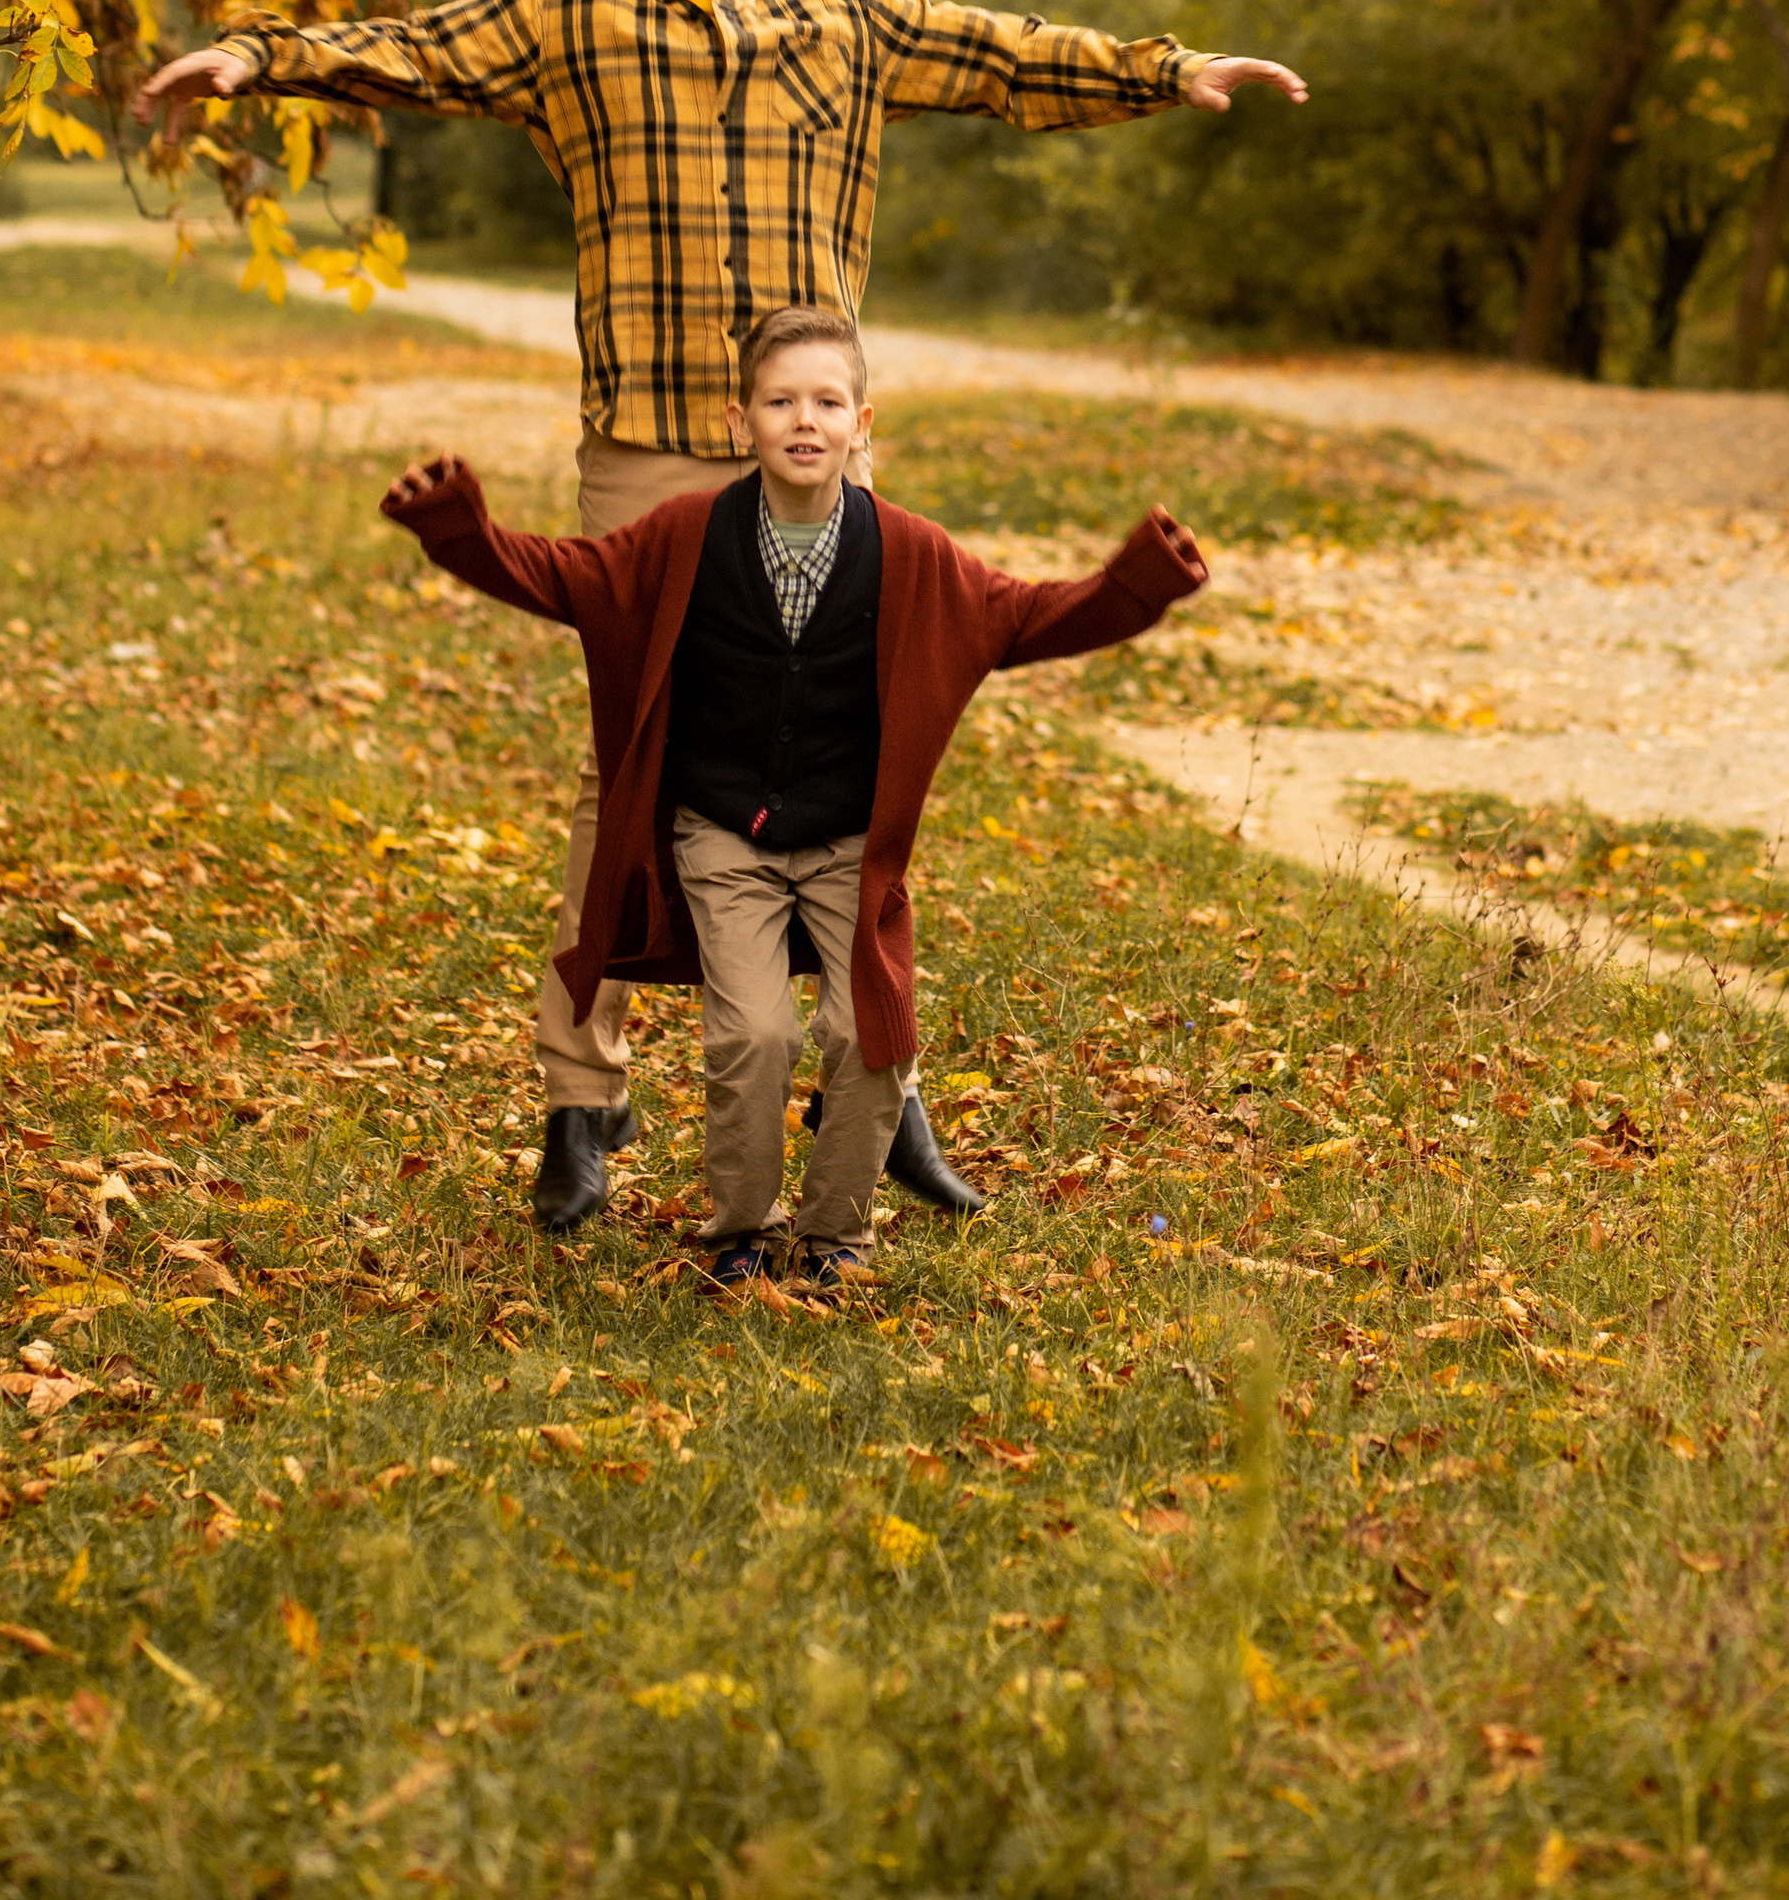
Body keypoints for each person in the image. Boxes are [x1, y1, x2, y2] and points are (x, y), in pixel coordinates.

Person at [132, 0, 1303, 1230]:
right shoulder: (571, 14)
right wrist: (258, 58)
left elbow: (1004, 56)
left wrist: (1168, 71)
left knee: (856, 754)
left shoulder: (844, 20)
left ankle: (882, 1083)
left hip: (812, 457)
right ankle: (581, 1098)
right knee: (621, 771)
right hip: (650, 453)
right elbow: (417, 52)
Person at [381, 306, 1208, 1291]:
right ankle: (744, 1227)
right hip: (724, 835)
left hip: (850, 843)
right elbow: (568, 577)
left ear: (863, 425)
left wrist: (1137, 582)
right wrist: (457, 529)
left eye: (826, 402)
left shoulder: (911, 553)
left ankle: (834, 1235)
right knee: (754, 1034)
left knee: (869, 1037)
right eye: (779, 402)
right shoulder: (684, 536)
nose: (804, 420)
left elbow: (1023, 616)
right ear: (741, 423)